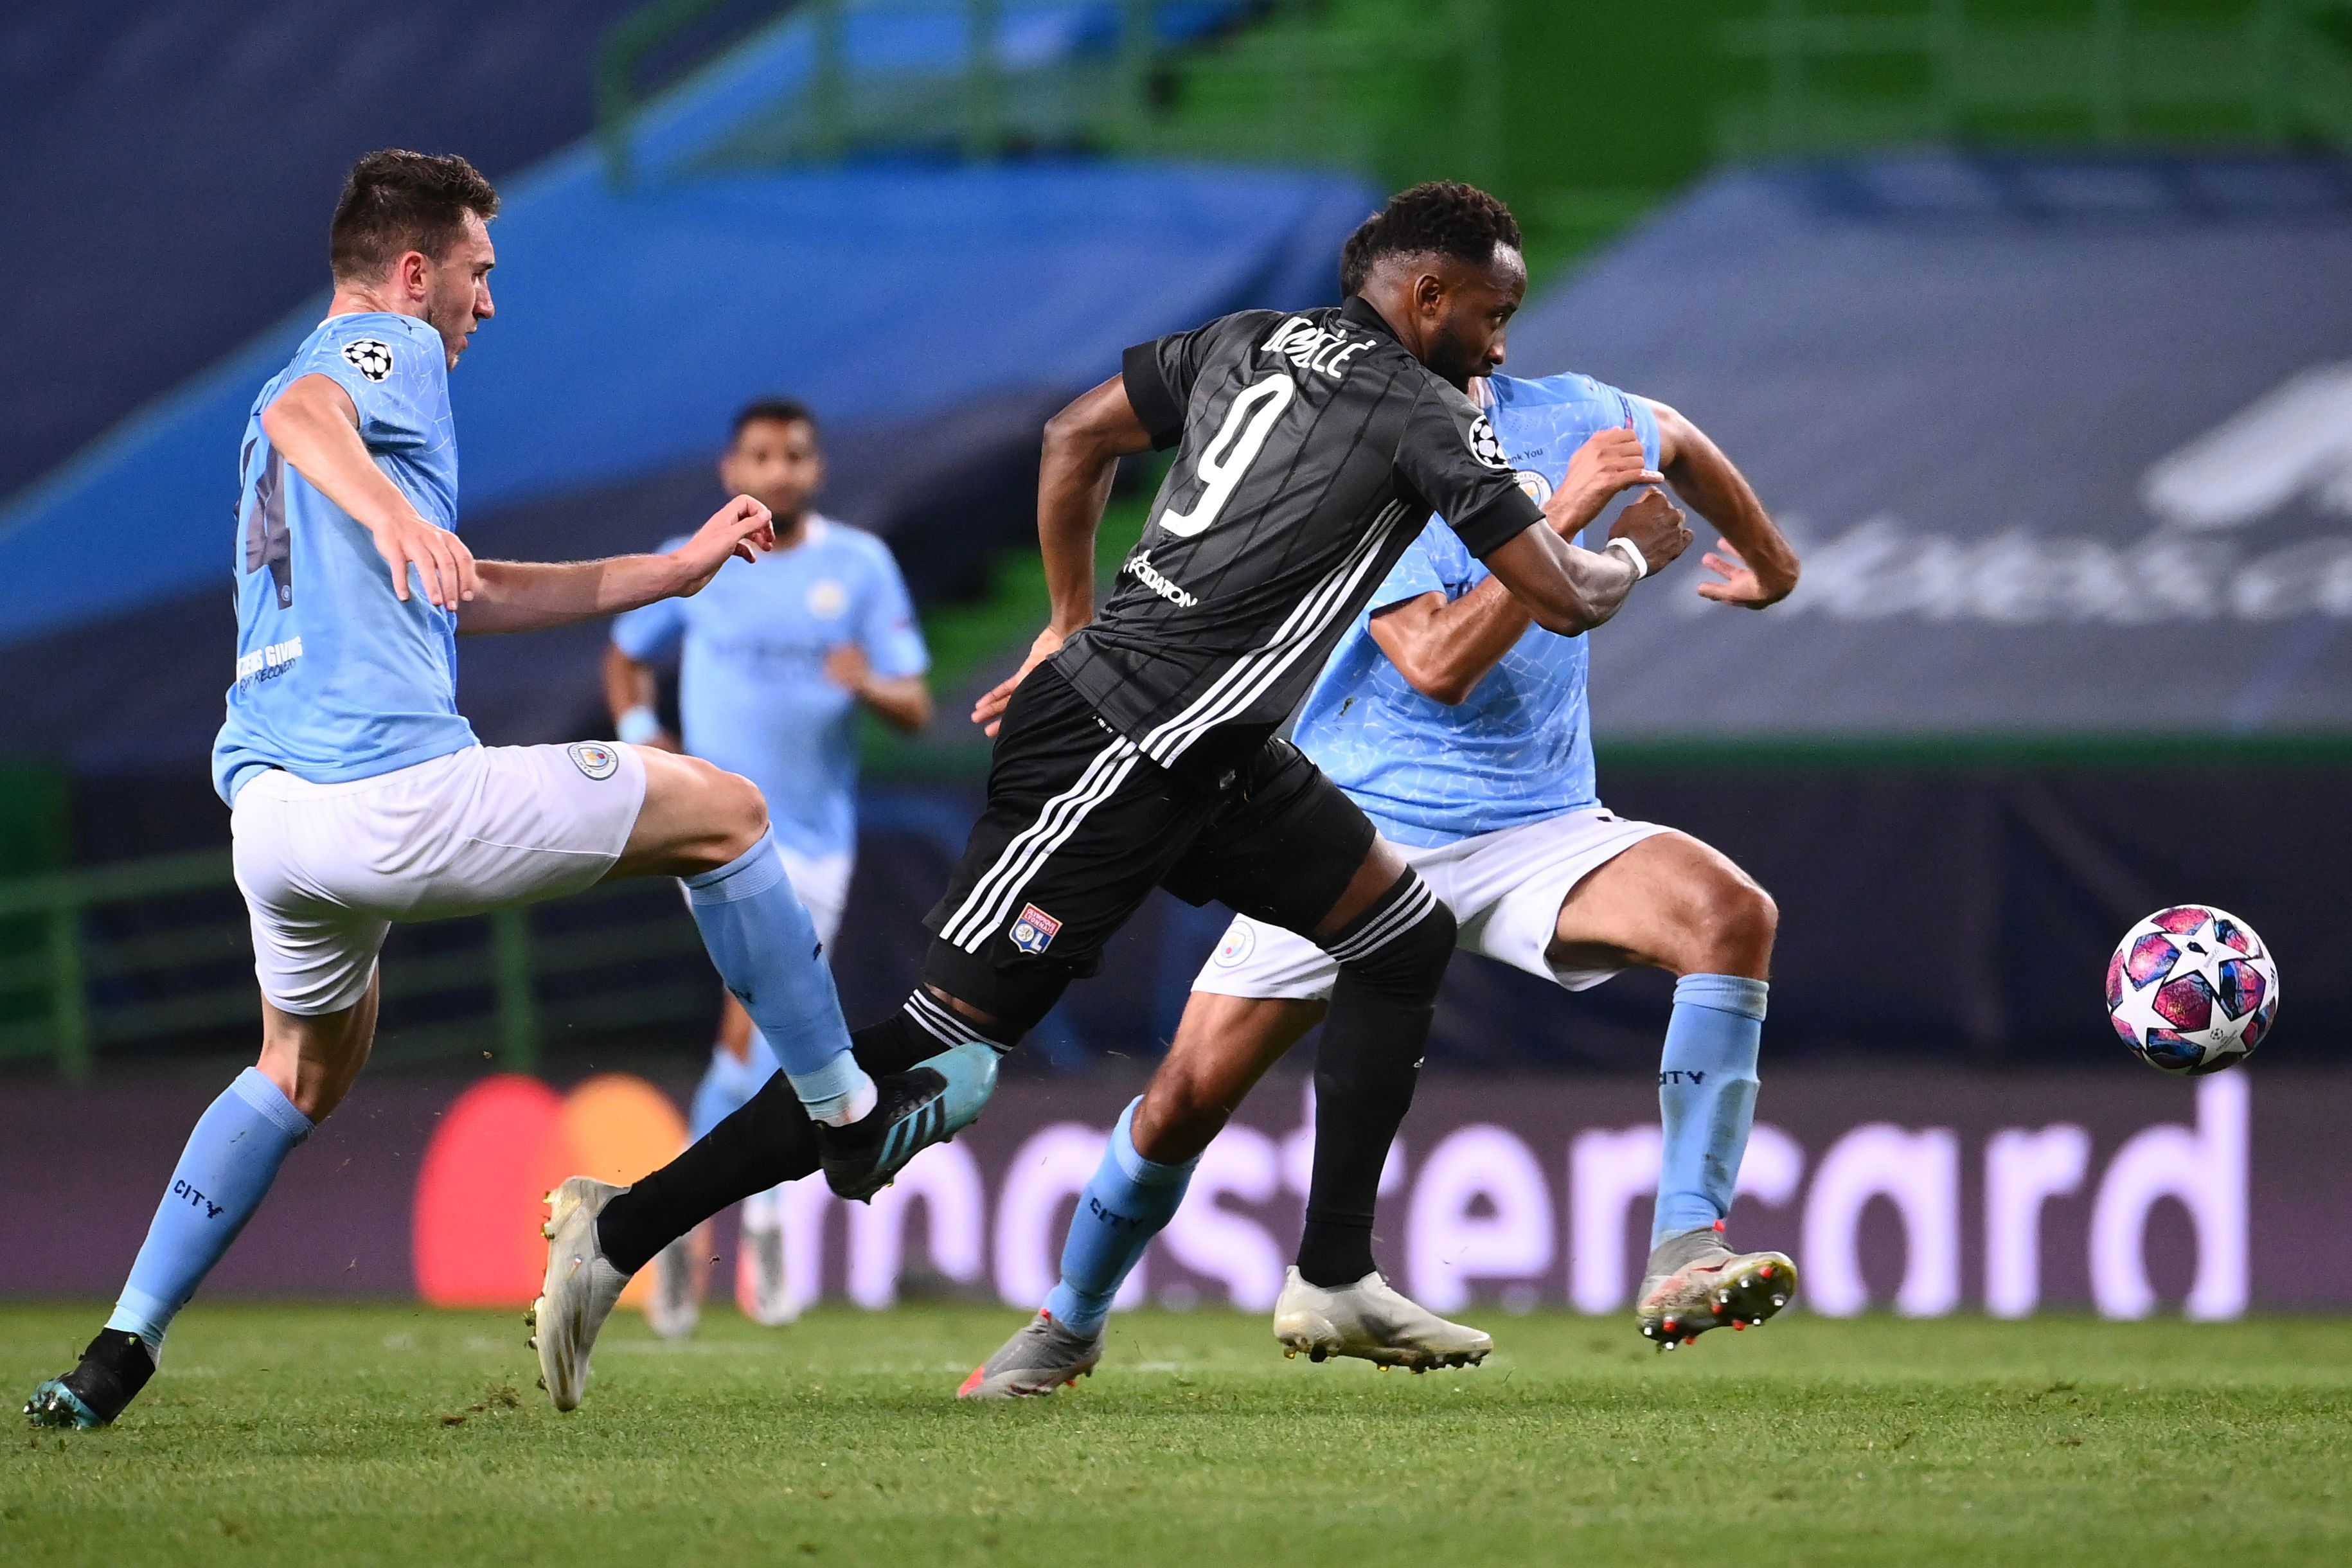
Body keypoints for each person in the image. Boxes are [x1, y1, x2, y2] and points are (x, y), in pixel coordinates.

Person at [533, 180, 1693, 1410]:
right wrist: (1632, 551)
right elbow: (1562, 594)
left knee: (1399, 935)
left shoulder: (1246, 338)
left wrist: (1068, 621)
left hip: (1213, 750)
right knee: (928, 1068)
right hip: (1116, 750)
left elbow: (1073, 437)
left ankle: (1336, 1273)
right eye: (1493, 317)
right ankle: (620, 1230)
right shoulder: (1422, 410)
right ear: (1428, 294)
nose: (1501, 348)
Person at [21, 149, 905, 1429]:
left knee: (299, 1072)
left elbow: (467, 586)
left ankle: (118, 1350)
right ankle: (847, 1114)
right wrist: (393, 514)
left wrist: (673, 570)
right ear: (414, 270)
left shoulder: (287, 402)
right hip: (394, 798)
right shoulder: (382, 350)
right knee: (729, 815)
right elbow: (310, 418)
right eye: (478, 272)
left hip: (273, 824)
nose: (488, 301)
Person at [959, 330, 1805, 1396]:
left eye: (1506, 304)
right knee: (1183, 1103)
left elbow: (1673, 435)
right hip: (1355, 836)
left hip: (1539, 826)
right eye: (1482, 306)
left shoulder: (1569, 412)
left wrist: (1773, 565)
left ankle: (1687, 1248)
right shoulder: (1369, 451)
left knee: (1729, 916)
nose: (1496, 331)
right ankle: (1069, 1323)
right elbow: (1438, 662)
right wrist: (1572, 518)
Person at [605, 399, 931, 1335]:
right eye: (760, 456)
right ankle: (753, 1223)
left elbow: (915, 704)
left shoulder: (859, 566)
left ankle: (674, 1230)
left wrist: (870, 685)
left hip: (817, 842)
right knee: (760, 1027)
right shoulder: (698, 559)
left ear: (817, 469)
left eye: (794, 456)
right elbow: (626, 654)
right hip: (714, 834)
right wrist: (643, 731)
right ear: (731, 470)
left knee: (764, 1034)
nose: (778, 471)